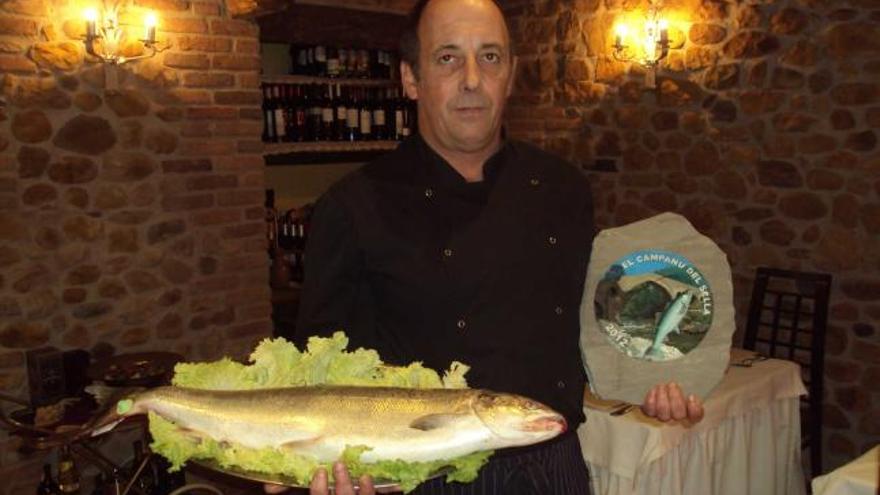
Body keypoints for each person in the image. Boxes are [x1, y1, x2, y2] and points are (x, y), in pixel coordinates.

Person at [271, 0, 704, 493]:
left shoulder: (563, 189)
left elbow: (593, 322)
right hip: (423, 477)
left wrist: (658, 376)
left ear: (512, 75)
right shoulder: (352, 208)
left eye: (491, 57)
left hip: (553, 464)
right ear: (411, 78)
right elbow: (318, 374)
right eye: (448, 58)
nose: (473, 79)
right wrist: (307, 460)